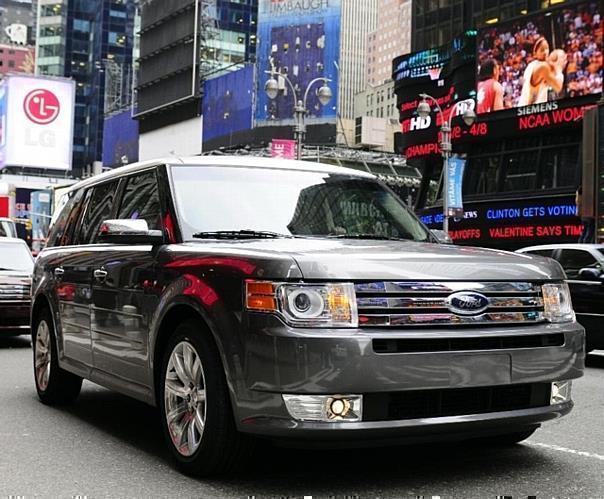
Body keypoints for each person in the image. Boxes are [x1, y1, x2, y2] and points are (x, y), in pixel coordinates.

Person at [518, 37, 568, 106]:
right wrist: (559, 68)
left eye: (547, 48)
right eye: (542, 50)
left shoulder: (531, 66)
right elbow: (558, 87)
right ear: (535, 54)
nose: (545, 52)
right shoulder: (542, 67)